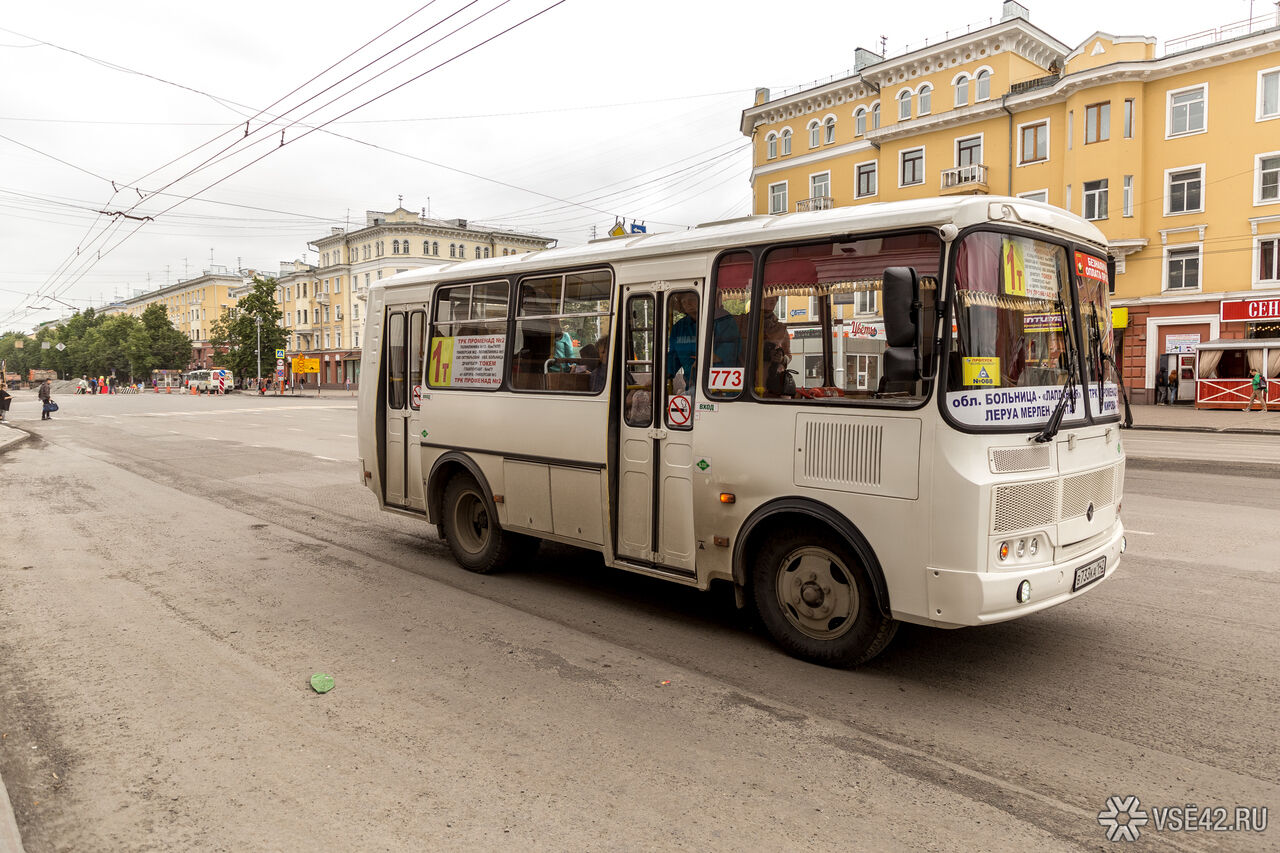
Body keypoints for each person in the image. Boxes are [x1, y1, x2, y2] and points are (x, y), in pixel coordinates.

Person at [666, 293, 699, 393]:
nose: (688, 304)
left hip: (716, 385)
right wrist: (660, 376)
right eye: (684, 302)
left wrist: (702, 361)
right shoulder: (678, 328)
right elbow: (673, 357)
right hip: (691, 385)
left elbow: (728, 352)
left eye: (691, 299)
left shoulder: (720, 323)